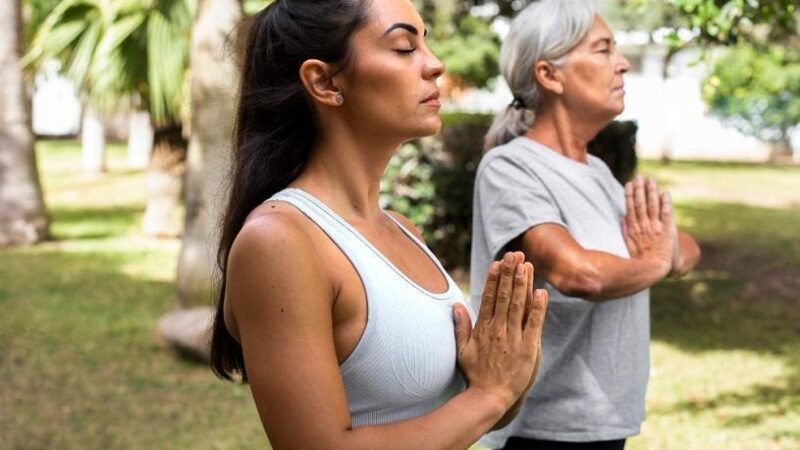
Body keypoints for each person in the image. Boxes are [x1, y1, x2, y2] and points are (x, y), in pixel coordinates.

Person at [209, 1, 549, 449]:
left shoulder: (403, 230)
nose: (435, 64)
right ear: (326, 82)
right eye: (405, 46)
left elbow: (465, 416)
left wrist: (505, 376)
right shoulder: (280, 242)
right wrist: (489, 395)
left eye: (425, 42)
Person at [470, 1, 701, 449]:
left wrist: (661, 250)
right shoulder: (510, 167)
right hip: (542, 432)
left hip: (605, 424)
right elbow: (580, 273)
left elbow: (685, 248)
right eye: (603, 49)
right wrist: (656, 261)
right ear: (549, 75)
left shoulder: (596, 171)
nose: (623, 64)